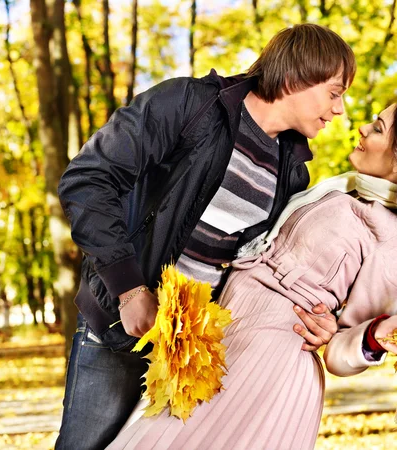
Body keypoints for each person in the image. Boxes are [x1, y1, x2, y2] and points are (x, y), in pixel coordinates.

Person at [106, 93, 397, 449]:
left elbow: (340, 346)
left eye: (379, 128)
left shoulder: (396, 245)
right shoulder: (350, 192)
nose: (363, 128)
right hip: (227, 337)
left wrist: (377, 333)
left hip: (268, 361)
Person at [55, 24, 356, 450]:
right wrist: (129, 291)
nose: (339, 109)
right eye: (334, 91)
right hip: (119, 332)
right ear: (296, 77)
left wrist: (324, 317)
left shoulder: (292, 172)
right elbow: (88, 180)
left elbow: (264, 267)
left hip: (192, 353)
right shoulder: (189, 105)